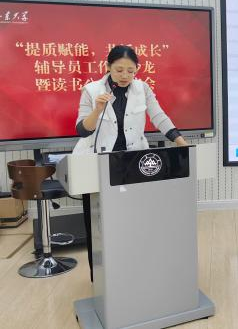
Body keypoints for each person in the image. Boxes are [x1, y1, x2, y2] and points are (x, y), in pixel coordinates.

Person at [73, 45, 188, 281]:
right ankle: (101, 280)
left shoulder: (142, 89)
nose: (125, 75)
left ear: (137, 69)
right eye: (119, 70)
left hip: (133, 162)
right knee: (98, 226)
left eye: (130, 71)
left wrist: (181, 142)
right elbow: (83, 130)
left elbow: (159, 117)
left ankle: (134, 276)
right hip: (98, 163)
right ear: (108, 67)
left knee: (134, 222)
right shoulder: (91, 90)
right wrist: (97, 110)